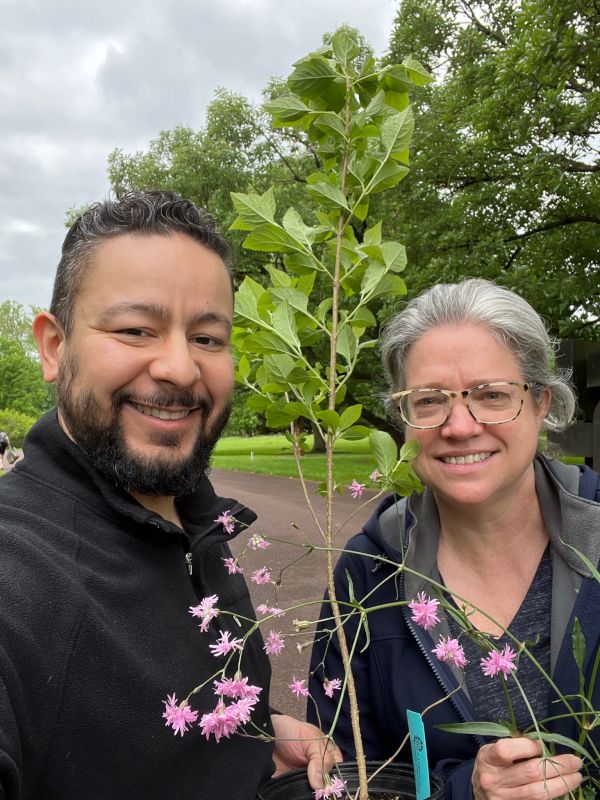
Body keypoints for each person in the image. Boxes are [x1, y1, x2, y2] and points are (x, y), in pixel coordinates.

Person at [0, 191, 339, 800]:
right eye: (136, 330)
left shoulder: (197, 526)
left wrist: (253, 736)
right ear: (54, 347)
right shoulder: (15, 568)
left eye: (208, 338)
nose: (181, 369)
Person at [308, 279, 600, 799]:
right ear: (402, 419)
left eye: (491, 396)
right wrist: (464, 791)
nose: (460, 426)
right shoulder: (367, 573)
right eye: (428, 401)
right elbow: (344, 777)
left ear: (540, 404)